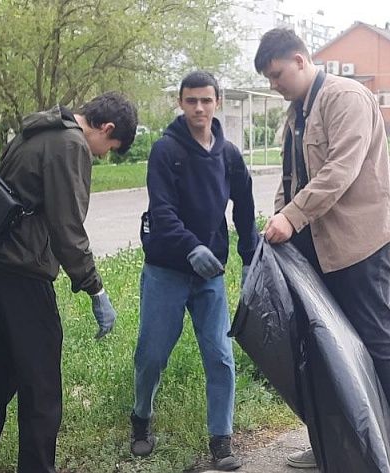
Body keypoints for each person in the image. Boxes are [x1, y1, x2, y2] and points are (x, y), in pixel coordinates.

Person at [254, 28, 390, 473]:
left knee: (376, 338)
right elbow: (291, 178)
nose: (274, 84)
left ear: (299, 60)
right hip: (316, 247)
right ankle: (335, 442)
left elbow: (340, 170)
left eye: (276, 74)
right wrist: (280, 218)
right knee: (326, 347)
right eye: (269, 79)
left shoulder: (345, 97)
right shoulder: (297, 112)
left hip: (360, 242)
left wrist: (292, 216)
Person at [0, 92, 138, 473]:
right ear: (106, 128)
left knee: (3, 370)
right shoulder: (70, 144)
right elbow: (68, 230)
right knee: (42, 386)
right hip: (22, 273)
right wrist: (95, 288)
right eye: (110, 148)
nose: (103, 156)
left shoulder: (39, 129)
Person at [130, 71, 258, 471]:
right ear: (180, 103)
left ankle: (221, 439)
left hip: (210, 275)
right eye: (191, 101)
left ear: (218, 101)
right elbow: (162, 211)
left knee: (220, 355)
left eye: (206, 100)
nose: (199, 108)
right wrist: (191, 247)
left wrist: (249, 255)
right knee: (152, 355)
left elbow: (245, 207)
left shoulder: (229, 155)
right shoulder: (166, 150)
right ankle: (141, 418)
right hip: (166, 270)